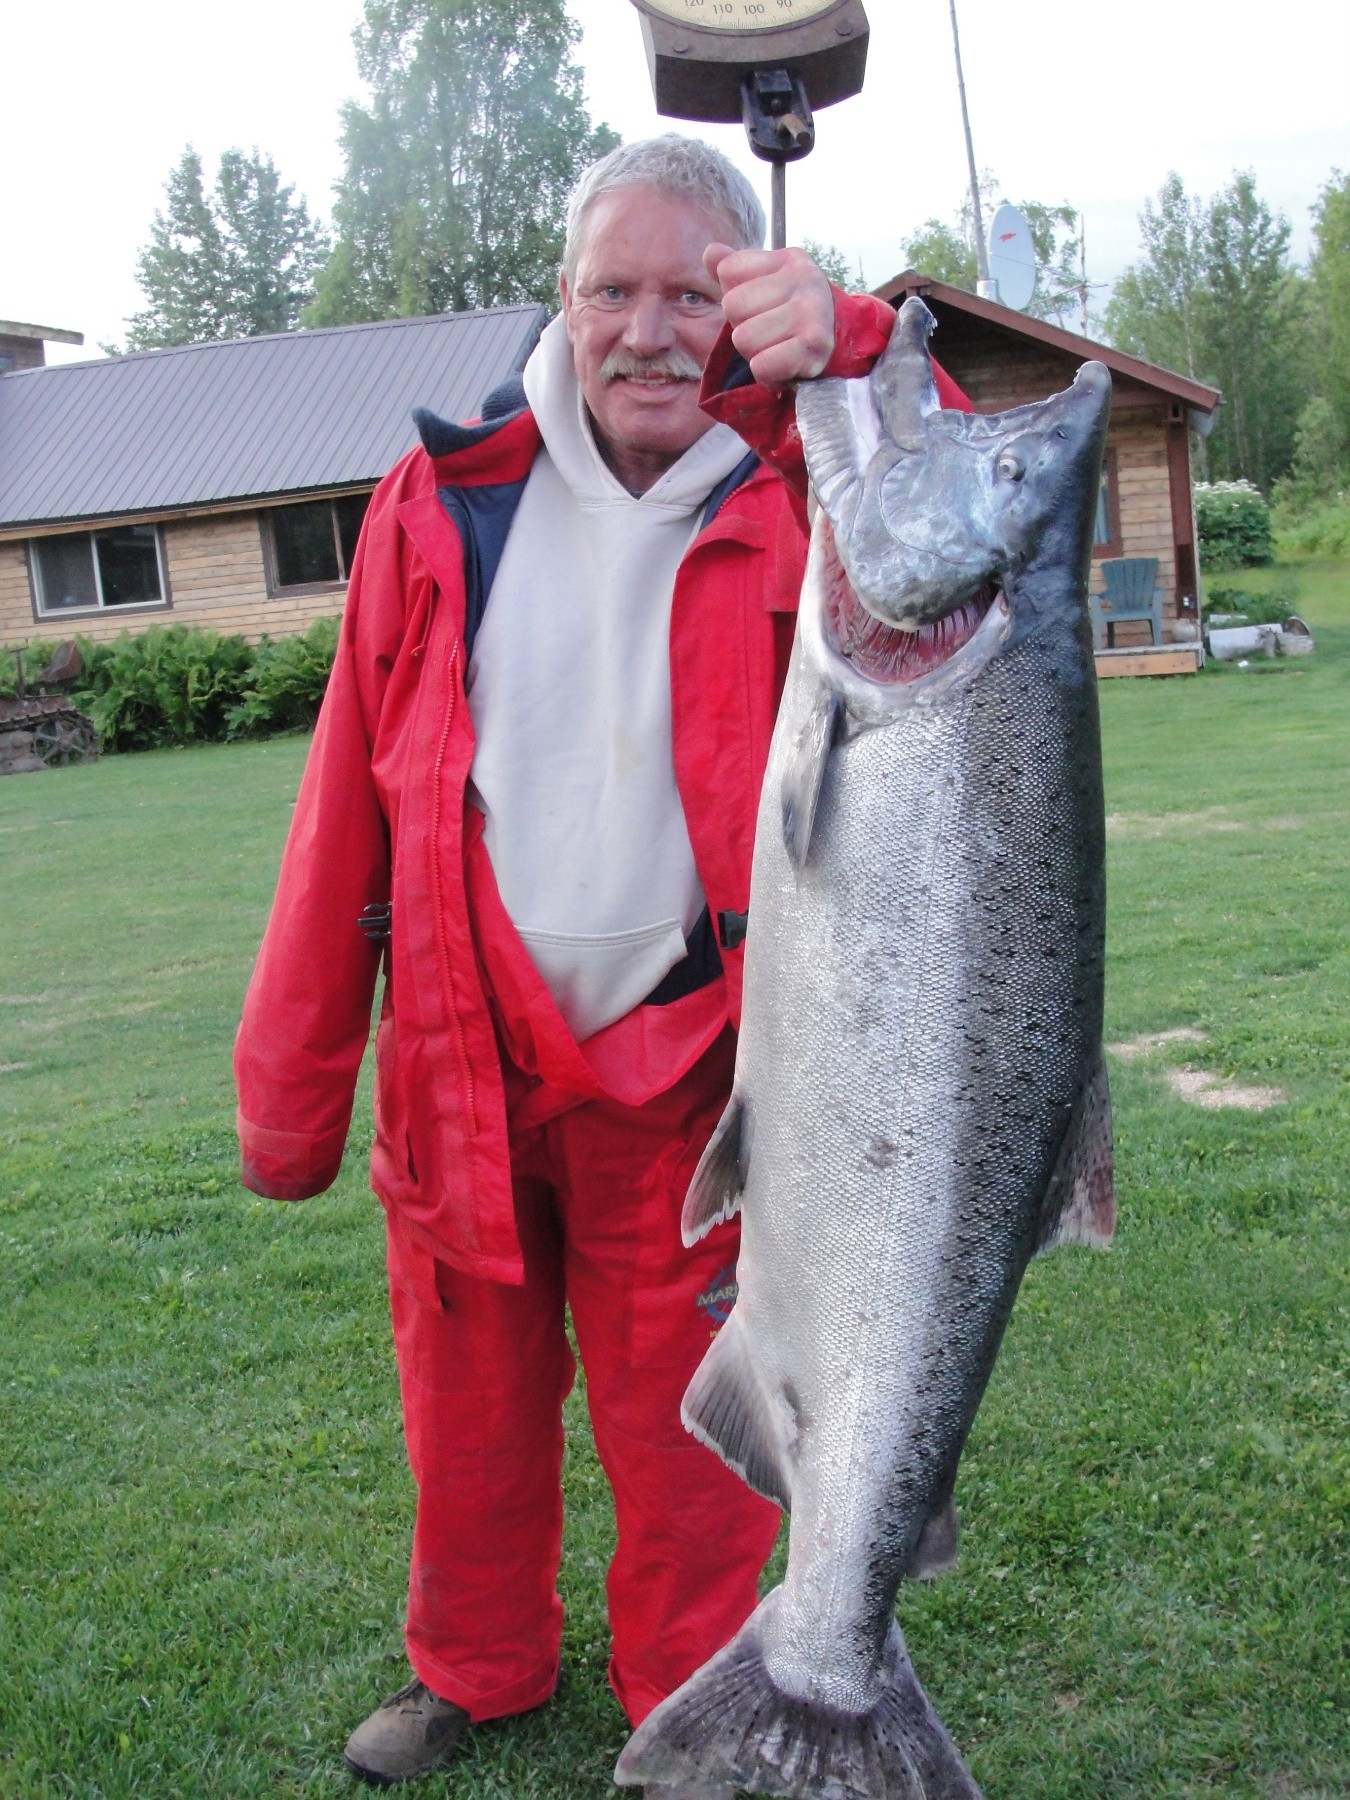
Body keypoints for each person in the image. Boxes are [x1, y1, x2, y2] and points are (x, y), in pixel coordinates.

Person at [235, 135, 969, 1794]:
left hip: (692, 1073)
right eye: (610, 291)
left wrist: (855, 345)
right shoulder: (439, 500)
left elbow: (969, 510)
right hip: (460, 1056)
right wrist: (292, 1092)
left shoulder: (812, 489)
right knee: (467, 1415)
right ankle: (472, 1669)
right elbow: (343, 798)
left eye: (690, 295)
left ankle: (688, 1698)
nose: (648, 333)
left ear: (749, 300)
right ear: (560, 304)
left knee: (682, 1435)